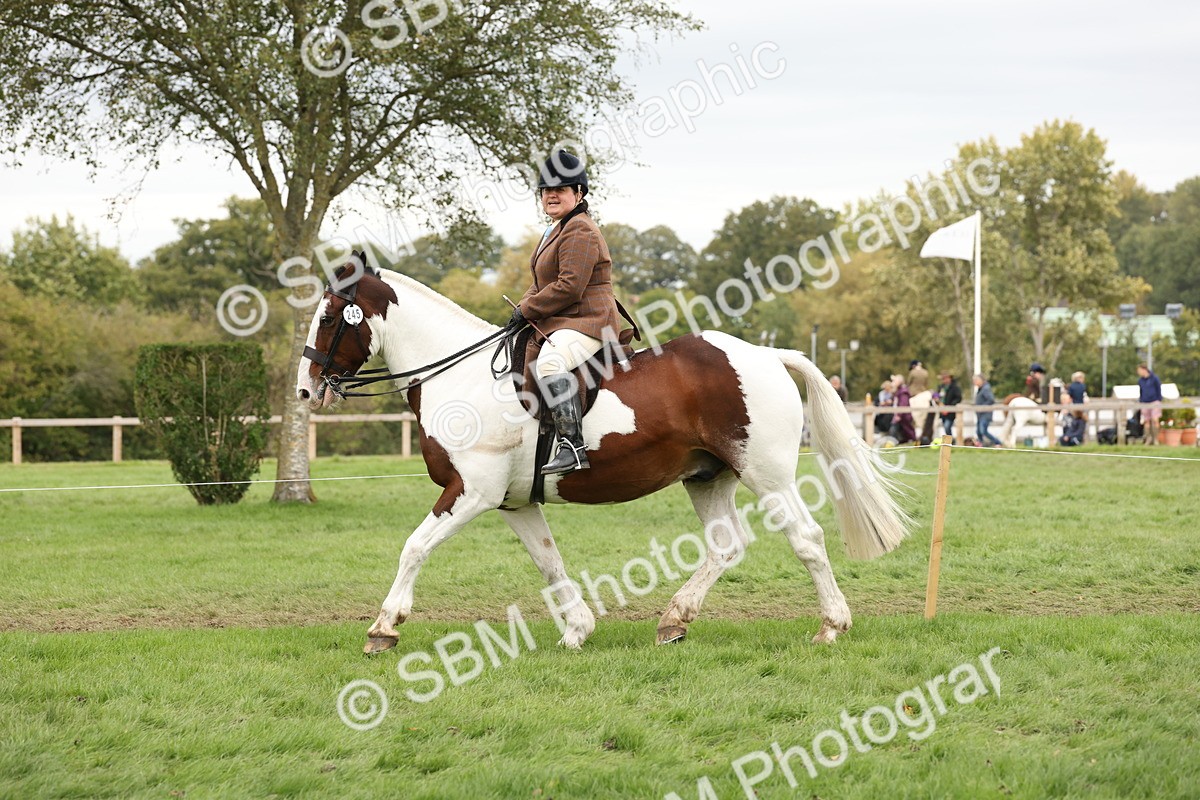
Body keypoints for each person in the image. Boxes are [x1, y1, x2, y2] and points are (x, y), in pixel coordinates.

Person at [511, 149, 630, 474]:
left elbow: (569, 286)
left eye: (560, 189)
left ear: (578, 194)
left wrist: (527, 309)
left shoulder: (580, 230)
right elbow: (540, 283)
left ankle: (573, 446)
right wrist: (521, 308)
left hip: (588, 322)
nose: (551, 195)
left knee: (551, 363)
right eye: (546, 190)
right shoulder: (556, 229)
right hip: (566, 320)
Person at [1137, 362, 1163, 445]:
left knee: (1155, 419)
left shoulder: (1154, 378)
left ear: (1144, 370)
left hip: (1154, 401)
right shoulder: (1141, 381)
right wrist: (1141, 401)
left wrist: (1159, 400)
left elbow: (1158, 389)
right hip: (1145, 402)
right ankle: (1148, 439)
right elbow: (1141, 391)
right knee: (1146, 421)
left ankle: (1156, 439)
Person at [973, 373, 1001, 447]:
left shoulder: (986, 389)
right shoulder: (981, 389)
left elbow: (991, 400)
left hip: (985, 413)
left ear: (981, 380)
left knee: (983, 431)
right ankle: (981, 444)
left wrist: (982, 407)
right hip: (980, 414)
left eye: (976, 380)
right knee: (979, 431)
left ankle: (997, 442)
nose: (974, 382)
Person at [888, 374, 915, 443]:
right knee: (900, 430)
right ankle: (893, 441)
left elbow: (903, 404)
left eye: (894, 381)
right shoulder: (899, 391)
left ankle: (914, 441)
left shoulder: (903, 392)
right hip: (900, 414)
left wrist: (899, 415)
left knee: (907, 430)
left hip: (904, 415)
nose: (892, 383)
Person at [907, 359, 931, 435]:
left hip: (914, 397)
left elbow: (909, 383)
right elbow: (926, 384)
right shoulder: (926, 372)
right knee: (924, 418)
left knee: (915, 418)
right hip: (924, 396)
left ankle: (916, 436)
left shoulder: (912, 372)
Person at [938, 372, 962, 441]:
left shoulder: (955, 387)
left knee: (947, 426)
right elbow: (938, 396)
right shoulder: (941, 387)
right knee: (945, 426)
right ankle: (950, 441)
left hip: (951, 411)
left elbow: (958, 398)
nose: (944, 380)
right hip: (942, 410)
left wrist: (950, 406)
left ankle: (951, 441)